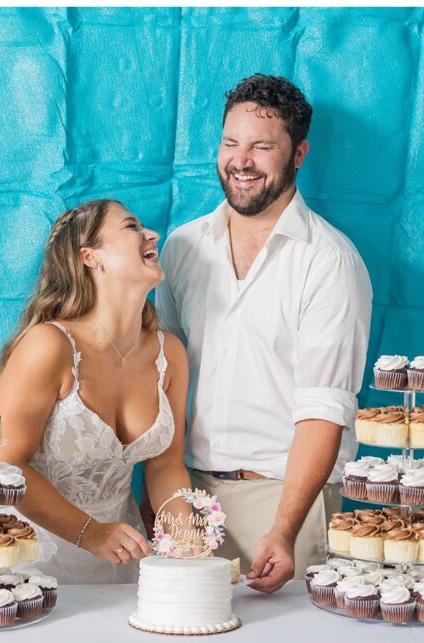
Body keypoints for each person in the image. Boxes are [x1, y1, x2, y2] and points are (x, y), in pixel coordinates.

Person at [155, 74, 373, 593]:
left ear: (298, 154)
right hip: (189, 496)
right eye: (231, 143)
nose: (241, 160)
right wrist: (164, 495)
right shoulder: (182, 248)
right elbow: (163, 381)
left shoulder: (330, 261)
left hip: (283, 502)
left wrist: (284, 528)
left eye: (262, 147)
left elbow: (324, 408)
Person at [0, 199, 192, 583]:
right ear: (90, 256)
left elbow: (166, 466)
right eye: (132, 227)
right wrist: (91, 533)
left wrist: (188, 550)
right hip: (32, 561)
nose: (152, 235)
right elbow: (4, 466)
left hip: (122, 558)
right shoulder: (48, 345)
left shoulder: (170, 355)